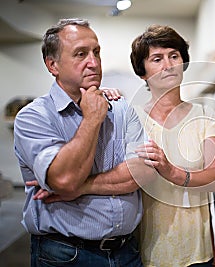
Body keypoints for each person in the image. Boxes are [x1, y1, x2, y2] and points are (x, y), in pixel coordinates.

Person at [13, 18, 154, 267]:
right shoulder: (33, 117)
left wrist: (81, 187)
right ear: (52, 64)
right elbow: (65, 179)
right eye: (81, 54)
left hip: (126, 253)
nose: (94, 63)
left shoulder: (121, 109)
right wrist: (92, 118)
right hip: (66, 255)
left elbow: (142, 173)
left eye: (96, 52)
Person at [129, 25, 215, 267]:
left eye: (174, 56)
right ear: (142, 72)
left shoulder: (205, 115)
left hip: (197, 251)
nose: (168, 65)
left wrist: (171, 171)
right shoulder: (131, 119)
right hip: (145, 250)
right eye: (157, 59)